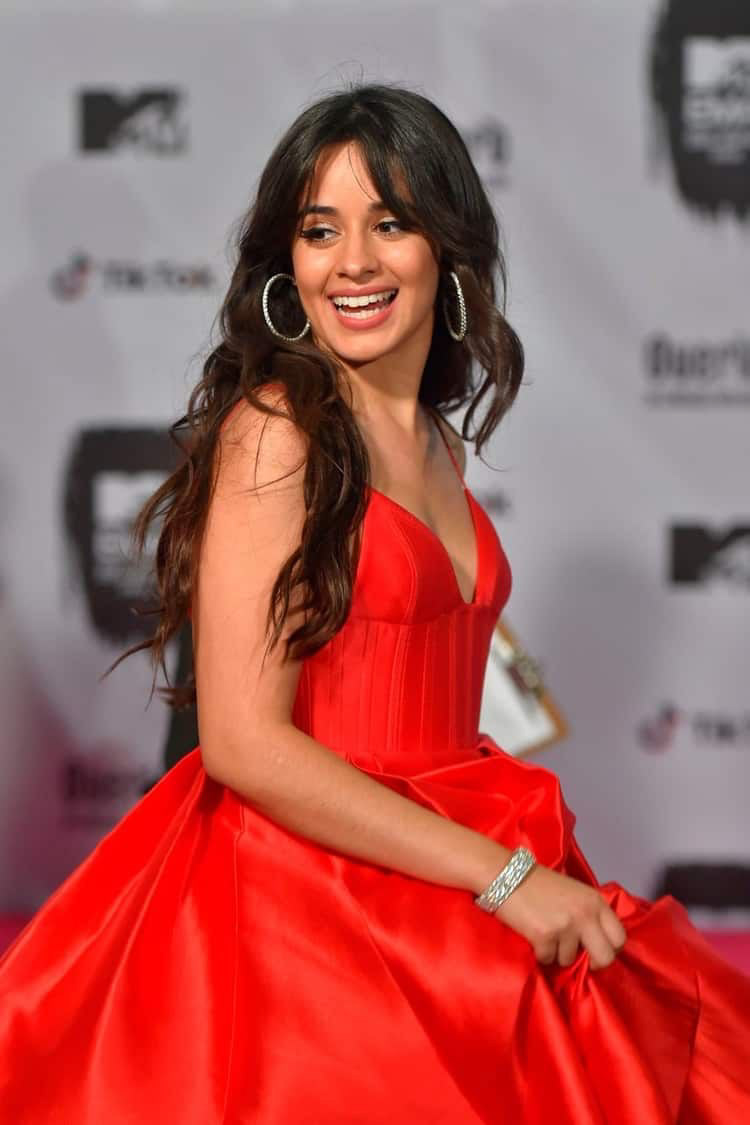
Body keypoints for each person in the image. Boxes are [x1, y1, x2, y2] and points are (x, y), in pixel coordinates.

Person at [0, 82, 748, 1125]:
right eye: (320, 230)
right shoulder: (277, 433)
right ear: (288, 263)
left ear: (446, 246)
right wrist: (504, 879)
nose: (351, 261)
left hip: (454, 855)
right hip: (307, 901)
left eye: (388, 223)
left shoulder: (438, 439)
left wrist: (501, 872)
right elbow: (243, 744)